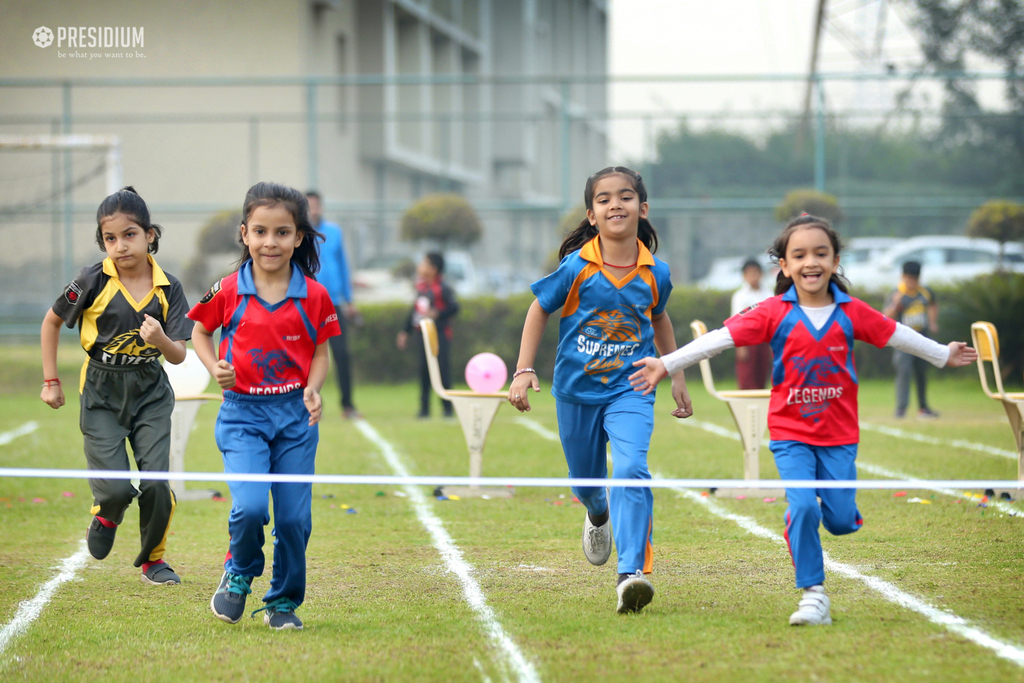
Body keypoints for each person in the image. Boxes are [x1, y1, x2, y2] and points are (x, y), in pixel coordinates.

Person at [629, 214, 977, 626]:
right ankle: (813, 595)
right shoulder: (773, 311)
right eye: (799, 255)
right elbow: (720, 339)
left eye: (820, 253)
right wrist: (665, 365)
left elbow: (896, 332)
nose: (810, 262)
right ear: (785, 266)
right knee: (803, 509)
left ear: (834, 260)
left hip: (839, 436)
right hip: (791, 434)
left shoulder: (852, 312)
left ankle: (815, 520)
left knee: (842, 521)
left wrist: (942, 353)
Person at [507, 166, 693, 614]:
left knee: (631, 469)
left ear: (642, 209)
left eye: (625, 197)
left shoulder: (656, 274)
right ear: (592, 214)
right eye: (605, 199)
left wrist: (676, 371)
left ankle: (631, 573)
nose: (616, 205)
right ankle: (597, 513)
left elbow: (661, 318)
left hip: (632, 389)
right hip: (575, 393)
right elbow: (539, 309)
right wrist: (523, 369)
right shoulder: (576, 268)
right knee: (587, 483)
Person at [189, 182, 341, 631]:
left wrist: (313, 389)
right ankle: (239, 572)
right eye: (260, 231)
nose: (269, 242)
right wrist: (214, 365)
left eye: (281, 232)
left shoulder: (315, 295)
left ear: (298, 237)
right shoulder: (228, 289)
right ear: (244, 234)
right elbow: (198, 331)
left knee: (294, 520)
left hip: (295, 417)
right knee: (251, 507)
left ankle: (283, 603)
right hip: (241, 416)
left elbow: (321, 352)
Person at [39, 186, 191, 586]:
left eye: (130, 235)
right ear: (102, 241)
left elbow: (178, 355)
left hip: (151, 392)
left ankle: (153, 560)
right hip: (101, 392)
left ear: (150, 235)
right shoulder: (91, 280)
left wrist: (159, 340)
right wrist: (51, 380)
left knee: (157, 482)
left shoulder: (169, 288)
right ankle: (108, 512)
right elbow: (51, 322)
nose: (121, 246)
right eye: (110, 238)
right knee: (116, 488)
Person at [306, 190, 361, 419]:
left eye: (316, 205)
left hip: (335, 303)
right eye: (308, 206)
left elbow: (343, 266)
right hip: (308, 303)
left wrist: (349, 299)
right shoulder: (298, 234)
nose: (313, 210)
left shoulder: (334, 232)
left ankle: (348, 405)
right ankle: (308, 402)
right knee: (306, 356)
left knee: (341, 355)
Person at [396, 252, 459, 419]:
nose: (420, 267)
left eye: (424, 263)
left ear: (433, 269)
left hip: (440, 335)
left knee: (442, 371)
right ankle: (424, 409)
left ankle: (447, 409)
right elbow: (414, 312)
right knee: (424, 371)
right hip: (422, 335)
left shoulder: (442, 288)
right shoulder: (422, 288)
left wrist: (438, 313)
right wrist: (405, 331)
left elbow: (454, 307)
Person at [883, 260, 939, 418]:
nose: (911, 282)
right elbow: (885, 316)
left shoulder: (925, 292)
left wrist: (933, 322)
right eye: (908, 278)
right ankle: (901, 409)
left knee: (921, 373)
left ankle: (923, 408)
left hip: (923, 339)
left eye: (915, 279)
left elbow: (933, 304)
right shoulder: (897, 293)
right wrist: (895, 304)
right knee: (904, 372)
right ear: (903, 277)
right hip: (903, 343)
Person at [731, 258, 773, 389]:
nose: (753, 277)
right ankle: (745, 406)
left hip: (764, 339)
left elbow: (772, 318)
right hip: (747, 340)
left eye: (756, 273)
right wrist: (740, 346)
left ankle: (759, 406)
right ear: (744, 276)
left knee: (761, 374)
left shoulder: (768, 293)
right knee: (746, 376)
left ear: (761, 274)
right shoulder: (740, 296)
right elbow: (736, 321)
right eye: (750, 274)